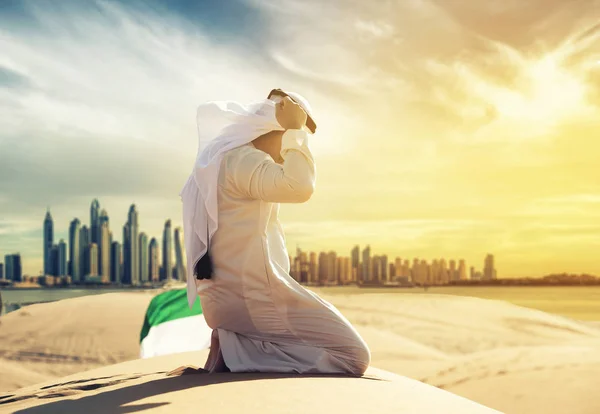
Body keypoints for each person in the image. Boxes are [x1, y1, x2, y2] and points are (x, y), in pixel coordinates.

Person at [179, 89, 370, 376]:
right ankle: (240, 357)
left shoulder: (219, 160)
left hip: (223, 301)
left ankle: (236, 347)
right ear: (273, 128)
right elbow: (298, 187)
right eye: (289, 139)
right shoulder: (242, 161)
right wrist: (295, 129)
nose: (289, 152)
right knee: (352, 356)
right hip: (253, 296)